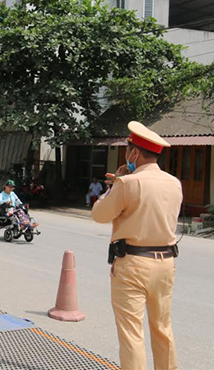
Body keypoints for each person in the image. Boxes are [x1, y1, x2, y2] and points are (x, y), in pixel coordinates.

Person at [91, 121, 182, 370]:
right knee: (163, 329)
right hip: (166, 264)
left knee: (132, 334)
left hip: (133, 264)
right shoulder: (174, 183)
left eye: (127, 150)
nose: (126, 155)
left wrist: (114, 187)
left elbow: (99, 215)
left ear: (135, 153)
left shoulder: (127, 183)